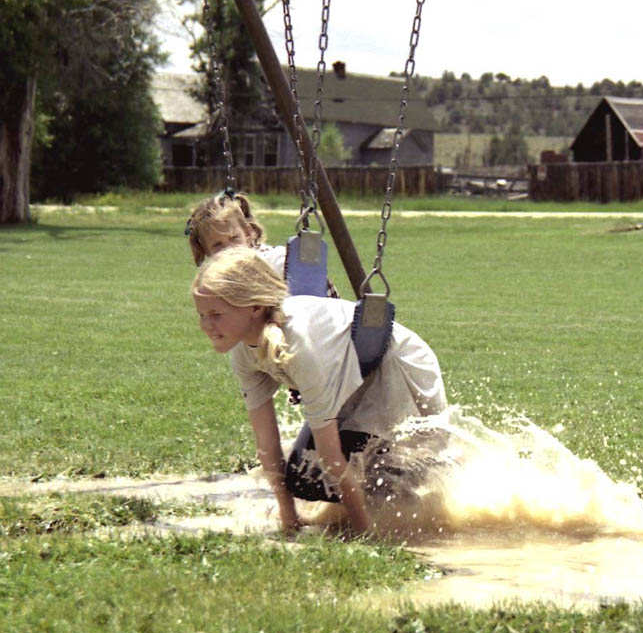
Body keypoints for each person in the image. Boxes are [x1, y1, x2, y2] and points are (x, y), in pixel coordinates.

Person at [191, 246, 447, 534]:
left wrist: (364, 535)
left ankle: (446, 504)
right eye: (202, 315)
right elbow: (268, 447)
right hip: (358, 375)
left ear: (254, 307)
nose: (206, 325)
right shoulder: (242, 352)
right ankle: (368, 508)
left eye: (215, 314)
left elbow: (331, 457)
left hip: (399, 364)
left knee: (406, 469)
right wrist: (289, 518)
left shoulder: (299, 347)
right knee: (305, 477)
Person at [185, 191, 339, 298]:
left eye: (234, 238)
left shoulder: (278, 263)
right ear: (207, 252)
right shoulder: (219, 281)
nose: (229, 250)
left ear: (248, 233)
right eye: (218, 245)